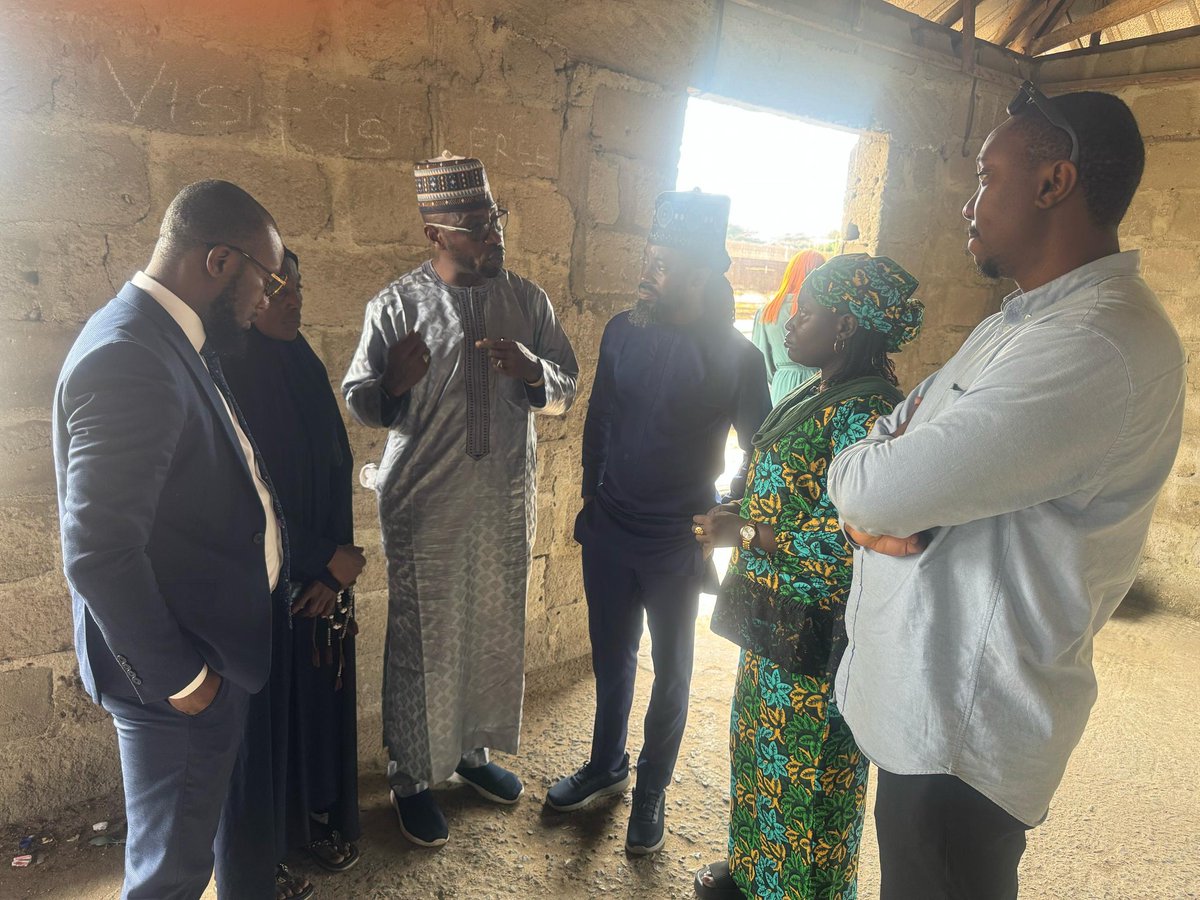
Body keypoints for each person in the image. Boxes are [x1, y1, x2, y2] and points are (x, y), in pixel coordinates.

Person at [827, 87, 1185, 899]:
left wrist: (866, 488)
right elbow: (894, 437)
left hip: (962, 735)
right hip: (932, 704)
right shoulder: (1020, 322)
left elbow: (876, 481)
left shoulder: (1094, 345)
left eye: (988, 175)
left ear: (1053, 183)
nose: (968, 200)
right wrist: (877, 476)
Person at [53, 179, 287, 899]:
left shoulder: (167, 336)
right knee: (169, 874)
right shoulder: (133, 356)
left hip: (203, 649)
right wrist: (183, 679)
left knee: (186, 847)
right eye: (266, 277)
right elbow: (98, 551)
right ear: (219, 261)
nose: (268, 298)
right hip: (180, 675)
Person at [343, 152, 579, 848]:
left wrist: (533, 370)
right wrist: (390, 380)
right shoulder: (395, 305)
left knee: (492, 629)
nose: (493, 236)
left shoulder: (528, 299)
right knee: (425, 641)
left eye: (495, 219)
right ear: (434, 234)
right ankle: (412, 775)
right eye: (475, 226)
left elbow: (567, 385)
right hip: (425, 504)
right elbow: (360, 399)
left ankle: (471, 755)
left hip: (505, 497)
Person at [691, 254, 924, 900]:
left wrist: (757, 534)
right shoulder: (816, 388)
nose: (791, 321)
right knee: (758, 753)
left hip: (818, 639)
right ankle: (751, 876)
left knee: (809, 778)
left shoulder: (870, 413)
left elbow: (863, 538)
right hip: (771, 619)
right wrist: (740, 513)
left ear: (845, 326)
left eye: (809, 312)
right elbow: (790, 493)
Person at [546, 190, 772, 856]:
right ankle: (606, 767)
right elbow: (601, 421)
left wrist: (725, 510)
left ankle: (651, 793)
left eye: (662, 264)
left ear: (699, 276)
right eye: (647, 258)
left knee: (673, 671)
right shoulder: (623, 332)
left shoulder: (737, 358)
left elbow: (761, 451)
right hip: (612, 529)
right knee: (612, 659)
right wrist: (592, 498)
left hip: (678, 538)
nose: (647, 272)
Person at [222, 248, 363, 900]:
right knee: (263, 730)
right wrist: (314, 560)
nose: (292, 298)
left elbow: (330, 466)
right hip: (267, 581)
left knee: (314, 704)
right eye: (278, 286)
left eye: (299, 285)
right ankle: (260, 862)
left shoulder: (301, 358)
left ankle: (308, 823)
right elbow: (246, 498)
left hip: (319, 575)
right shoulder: (230, 368)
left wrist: (336, 571)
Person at [750, 249, 826, 404]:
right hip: (820, 382)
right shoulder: (825, 310)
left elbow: (761, 362)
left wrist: (782, 374)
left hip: (782, 385)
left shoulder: (767, 312)